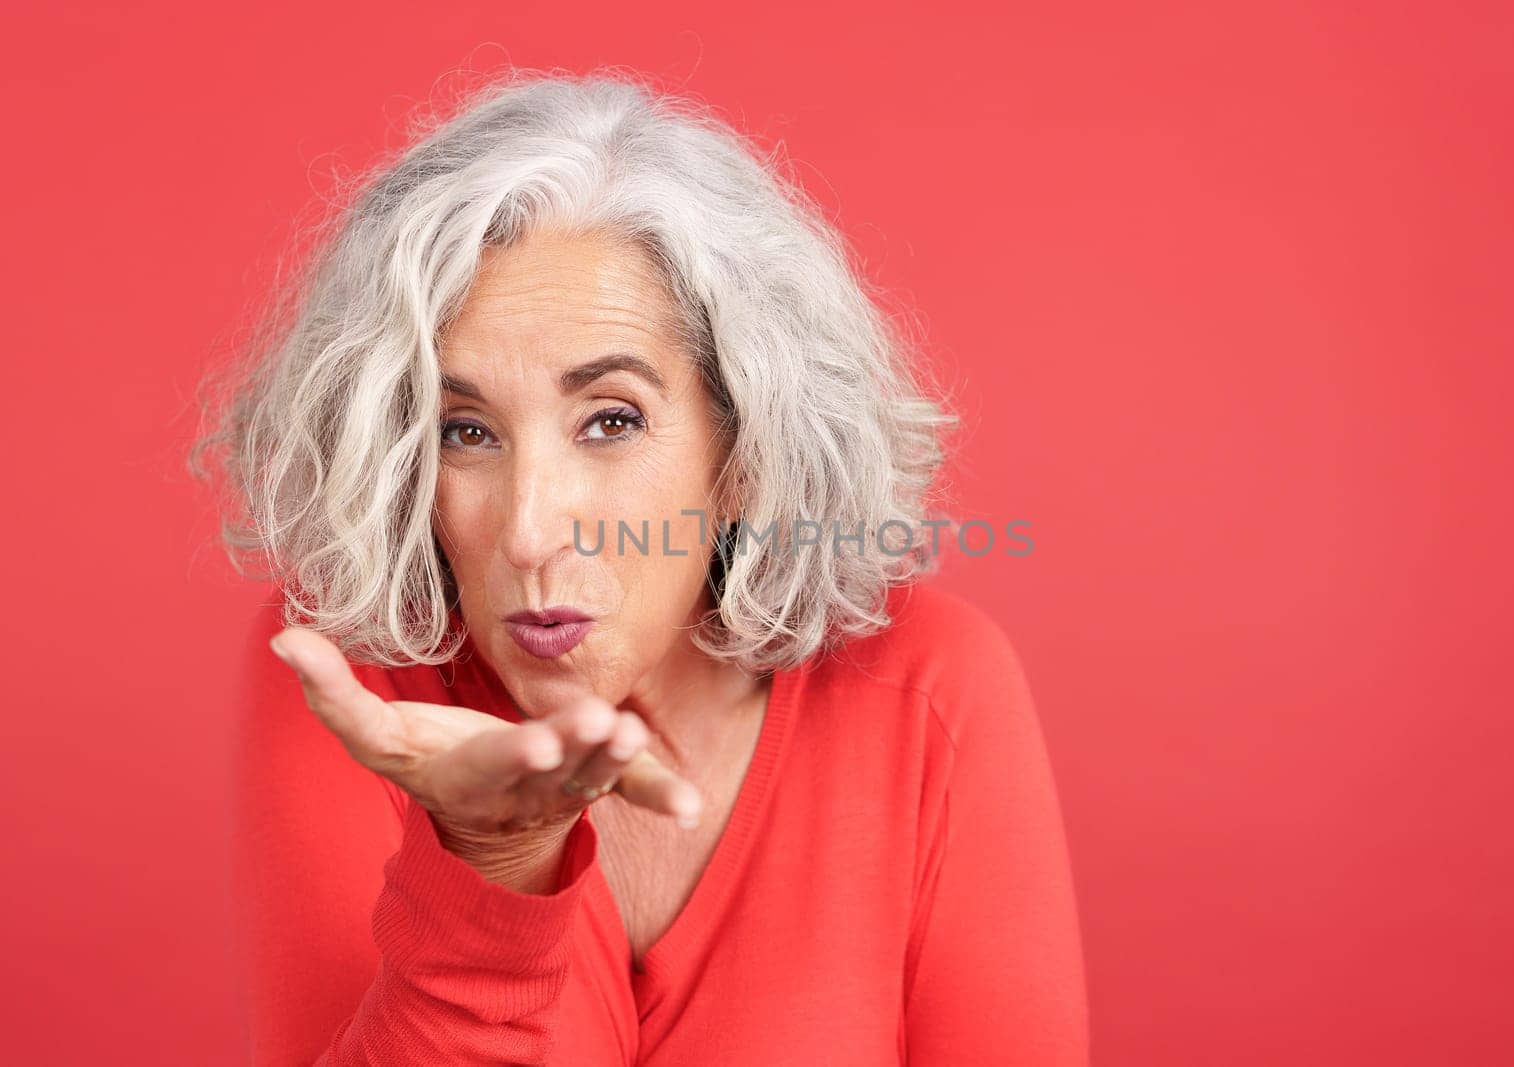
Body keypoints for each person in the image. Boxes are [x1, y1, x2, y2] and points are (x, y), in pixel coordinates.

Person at [193, 69, 1088, 1065]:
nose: (530, 528)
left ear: (746, 451)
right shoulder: (350, 676)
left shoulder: (928, 689)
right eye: (466, 431)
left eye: (609, 420)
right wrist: (487, 872)